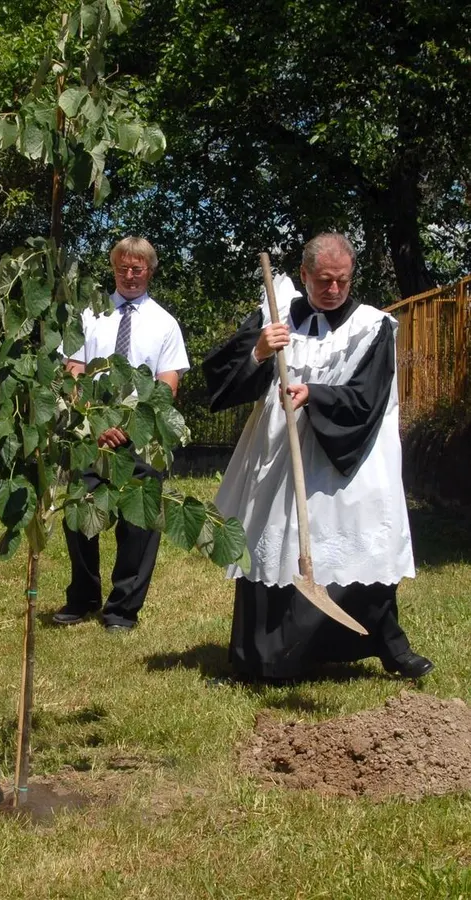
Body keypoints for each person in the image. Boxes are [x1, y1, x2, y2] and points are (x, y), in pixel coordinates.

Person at [202, 233, 434, 680]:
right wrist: (260, 350)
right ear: (305, 275)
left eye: (342, 281)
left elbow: (369, 397)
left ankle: (388, 646)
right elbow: (222, 377)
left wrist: (316, 395)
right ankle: (262, 659)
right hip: (279, 456)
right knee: (274, 546)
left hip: (346, 459)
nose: (333, 289)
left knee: (360, 541)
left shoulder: (372, 327)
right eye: (323, 280)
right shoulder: (278, 312)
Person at [54, 237, 190, 631]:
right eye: (122, 268)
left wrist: (129, 427)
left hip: (142, 436)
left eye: (138, 268)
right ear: (113, 269)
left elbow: (167, 387)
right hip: (91, 433)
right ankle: (82, 597)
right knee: (80, 514)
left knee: (139, 525)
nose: (130, 276)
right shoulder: (89, 316)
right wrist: (96, 422)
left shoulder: (165, 324)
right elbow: (72, 371)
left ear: (150, 270)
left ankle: (122, 610)